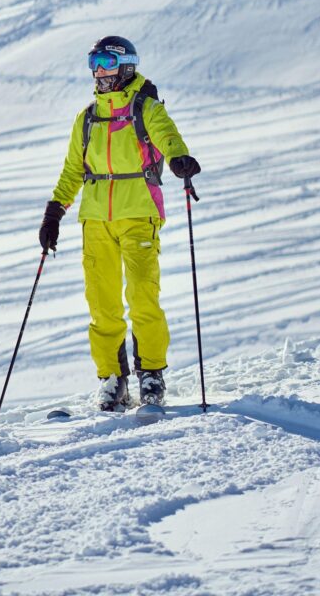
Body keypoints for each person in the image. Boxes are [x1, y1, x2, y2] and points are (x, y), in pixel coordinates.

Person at [39, 35, 200, 411]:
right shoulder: (87, 118)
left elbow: (167, 136)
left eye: (106, 64)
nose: (98, 71)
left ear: (126, 67)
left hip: (139, 213)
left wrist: (179, 160)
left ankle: (151, 375)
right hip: (96, 220)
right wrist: (54, 211)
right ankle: (112, 380)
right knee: (102, 304)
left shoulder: (146, 108)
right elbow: (72, 171)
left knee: (143, 296)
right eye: (94, 63)